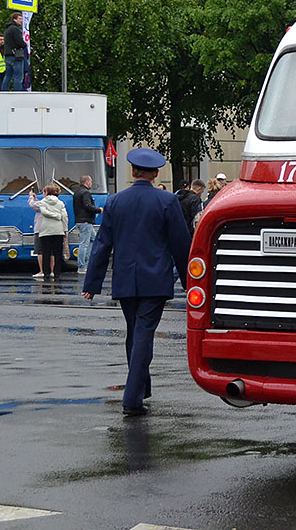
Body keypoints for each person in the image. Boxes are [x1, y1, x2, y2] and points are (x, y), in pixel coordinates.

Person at [81, 148, 191, 417]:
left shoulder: (116, 201)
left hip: (125, 279)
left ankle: (142, 388)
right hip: (155, 279)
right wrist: (190, 280)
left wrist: (91, 284)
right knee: (143, 334)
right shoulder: (167, 201)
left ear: (132, 172)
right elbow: (180, 244)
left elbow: (102, 244)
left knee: (135, 333)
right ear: (155, 174)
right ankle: (132, 398)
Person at [28, 184, 68, 281]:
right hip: (58, 230)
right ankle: (56, 272)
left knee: (45, 252)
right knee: (57, 253)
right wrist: (65, 229)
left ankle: (45, 273)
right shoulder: (60, 203)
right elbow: (64, 217)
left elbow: (42, 211)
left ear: (46, 192)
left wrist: (31, 197)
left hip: (45, 230)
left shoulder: (42, 203)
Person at [72, 175, 102, 273]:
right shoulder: (85, 193)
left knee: (94, 239)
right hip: (85, 221)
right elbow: (88, 205)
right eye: (91, 182)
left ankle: (88, 263)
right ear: (87, 182)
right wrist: (99, 210)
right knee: (84, 244)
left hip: (81, 220)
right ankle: (81, 266)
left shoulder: (77, 192)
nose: (91, 184)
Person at [2, 11, 27, 92]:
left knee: (8, 76)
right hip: (16, 56)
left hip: (7, 56)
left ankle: (3, 92)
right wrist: (24, 45)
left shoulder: (7, 30)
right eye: (19, 19)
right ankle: (16, 93)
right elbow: (19, 41)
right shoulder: (15, 29)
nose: (21, 21)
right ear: (14, 19)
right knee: (18, 77)